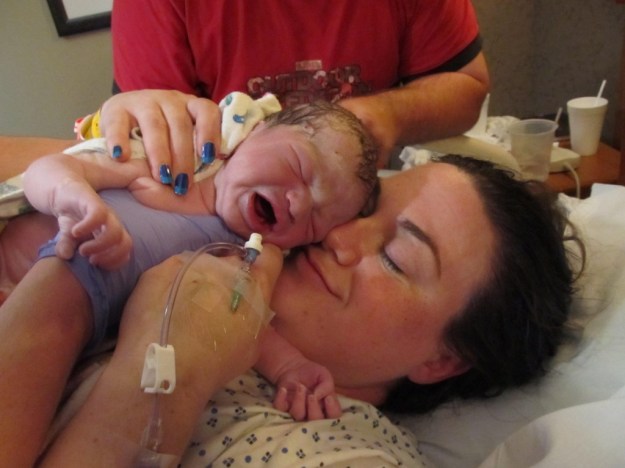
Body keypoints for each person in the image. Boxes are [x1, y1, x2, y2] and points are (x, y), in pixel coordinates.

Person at [5, 155, 581, 466]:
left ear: (443, 361)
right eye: (365, 208)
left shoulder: (344, 453)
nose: (340, 235)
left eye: (396, 258)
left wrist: (160, 376)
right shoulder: (178, 255)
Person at [0, 99, 380, 462]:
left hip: (62, 312)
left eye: (315, 219)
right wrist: (68, 196)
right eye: (298, 166)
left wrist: (290, 367)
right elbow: (49, 168)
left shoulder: (245, 253)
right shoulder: (165, 161)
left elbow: (240, 318)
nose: (298, 204)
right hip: (36, 270)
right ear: (255, 131)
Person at [97, 0, 490, 182]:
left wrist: (386, 115)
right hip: (218, 211)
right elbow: (151, 152)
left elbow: (467, 87)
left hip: (362, 192)